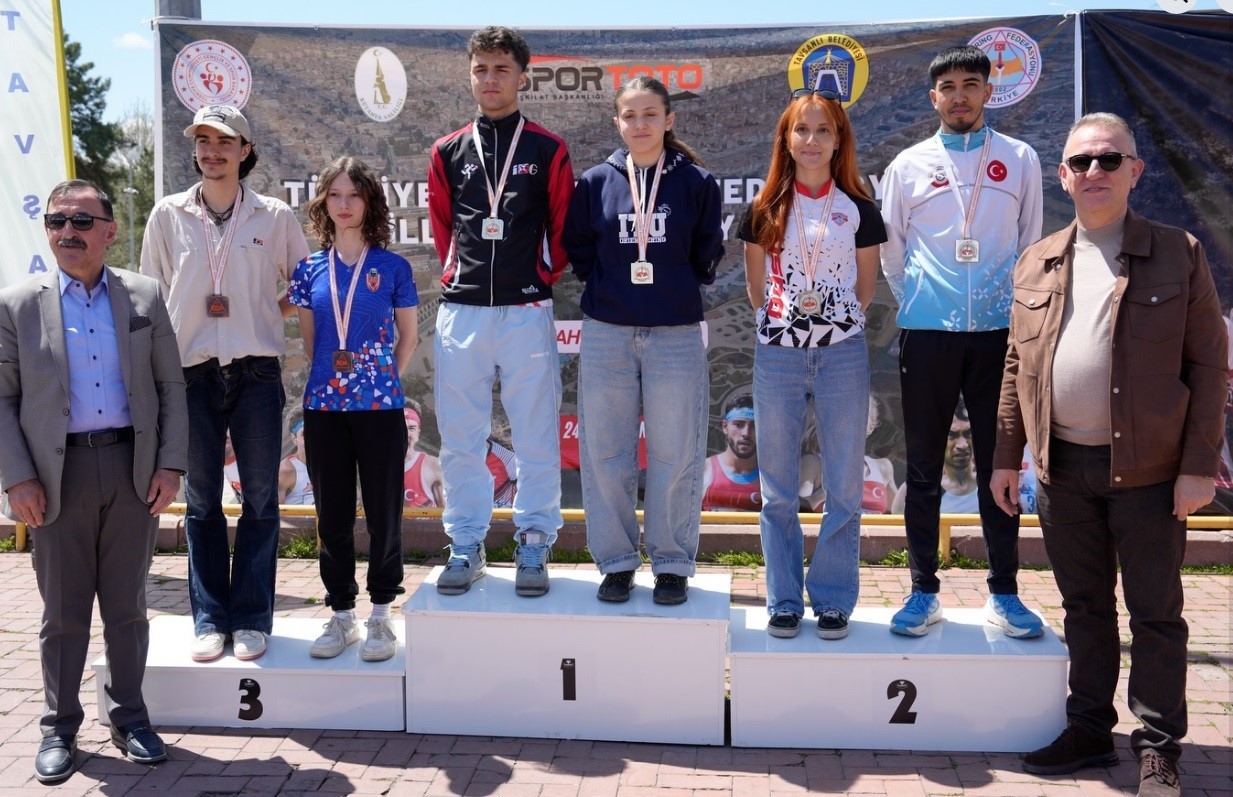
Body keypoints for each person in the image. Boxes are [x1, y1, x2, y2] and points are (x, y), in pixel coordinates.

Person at [990, 112, 1227, 797]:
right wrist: (1006, 455)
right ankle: (1090, 729)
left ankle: (1158, 748)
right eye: (1080, 162)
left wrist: (1196, 466)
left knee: (1155, 614)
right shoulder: (1036, 259)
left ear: (1134, 171)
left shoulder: (1178, 252)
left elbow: (1209, 366)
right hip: (1062, 469)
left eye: (1108, 159)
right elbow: (1016, 365)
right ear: (1062, 176)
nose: (1094, 171)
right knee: (1083, 607)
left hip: (1151, 472)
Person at [0, 180, 188, 783]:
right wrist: (17, 478)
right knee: (63, 613)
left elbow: (170, 385)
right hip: (57, 477)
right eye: (56, 221)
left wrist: (171, 465)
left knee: (128, 609)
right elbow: (3, 399)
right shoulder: (16, 305)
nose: (68, 232)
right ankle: (58, 728)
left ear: (109, 230)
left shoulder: (143, 295)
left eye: (81, 222)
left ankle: (131, 719)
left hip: (133, 470)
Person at [878, 45, 1044, 639]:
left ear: (988, 92)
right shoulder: (908, 164)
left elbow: (1030, 244)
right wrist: (923, 301)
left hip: (999, 335)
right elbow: (892, 250)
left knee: (1001, 464)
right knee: (924, 468)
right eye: (947, 87)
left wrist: (1007, 310)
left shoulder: (1019, 158)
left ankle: (1004, 593)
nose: (959, 96)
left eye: (971, 84)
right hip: (928, 334)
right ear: (934, 98)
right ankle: (923, 591)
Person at [142, 104, 310, 662]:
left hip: (256, 371)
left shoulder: (273, 216)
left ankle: (253, 618)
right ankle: (210, 620)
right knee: (201, 501)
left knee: (260, 498)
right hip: (190, 374)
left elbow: (303, 282)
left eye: (224, 141)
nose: (212, 151)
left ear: (245, 150)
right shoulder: (168, 214)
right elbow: (151, 295)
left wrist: (265, 313)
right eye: (203, 141)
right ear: (195, 150)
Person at [564, 76, 724, 604]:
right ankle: (616, 562)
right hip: (608, 332)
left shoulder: (696, 181)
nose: (640, 124)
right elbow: (579, 249)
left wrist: (670, 286)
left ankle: (672, 562)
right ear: (617, 122)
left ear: (669, 119)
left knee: (675, 451)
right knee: (606, 451)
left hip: (675, 334)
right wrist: (611, 287)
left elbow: (706, 250)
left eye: (650, 114)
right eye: (629, 115)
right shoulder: (595, 182)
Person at [427, 26, 574, 597]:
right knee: (461, 438)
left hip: (525, 309)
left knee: (535, 434)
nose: (490, 79)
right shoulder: (446, 151)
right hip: (463, 310)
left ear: (522, 77)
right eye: (481, 69)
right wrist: (459, 276)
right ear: (470, 76)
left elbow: (561, 230)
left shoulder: (547, 148)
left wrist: (536, 277)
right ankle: (466, 542)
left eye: (501, 69)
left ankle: (534, 540)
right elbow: (444, 228)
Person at [739, 88, 886, 639]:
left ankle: (832, 598)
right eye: (801, 129)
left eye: (824, 130)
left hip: (841, 353)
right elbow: (756, 289)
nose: (812, 140)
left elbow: (865, 289)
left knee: (843, 487)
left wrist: (831, 326)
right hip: (778, 353)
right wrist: (785, 324)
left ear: (839, 140)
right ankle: (783, 599)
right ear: (786, 139)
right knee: (778, 489)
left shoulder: (858, 209)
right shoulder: (764, 208)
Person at [289, 156, 419, 663]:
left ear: (370, 202)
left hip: (380, 408)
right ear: (324, 203)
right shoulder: (309, 270)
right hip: (324, 408)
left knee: (385, 512)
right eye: (335, 195)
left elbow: (408, 338)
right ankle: (341, 614)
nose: (344, 205)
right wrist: (339, 379)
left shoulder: (393, 267)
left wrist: (381, 381)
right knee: (333, 515)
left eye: (354, 195)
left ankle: (382, 614)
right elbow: (311, 343)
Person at [892, 402, 977, 513]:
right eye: (952, 435)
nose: (963, 445)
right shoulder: (911, 490)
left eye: (968, 433)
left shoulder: (991, 483)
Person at [701, 393, 761, 512]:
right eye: (738, 425)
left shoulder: (771, 478)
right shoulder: (703, 470)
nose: (746, 433)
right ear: (725, 426)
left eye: (754, 425)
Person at [403, 402, 445, 508]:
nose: (406, 434)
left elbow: (448, 513)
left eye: (412, 428)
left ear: (418, 433)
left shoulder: (433, 465)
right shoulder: (379, 469)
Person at [278, 418, 314, 505]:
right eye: (304, 434)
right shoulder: (285, 469)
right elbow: (273, 511)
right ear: (294, 439)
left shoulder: (330, 466)